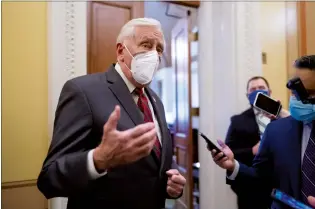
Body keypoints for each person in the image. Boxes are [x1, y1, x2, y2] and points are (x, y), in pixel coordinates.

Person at [37, 18, 186, 209]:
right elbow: (49, 179)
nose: (154, 55)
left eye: (158, 49)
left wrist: (172, 184)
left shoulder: (155, 100)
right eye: (146, 45)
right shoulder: (83, 90)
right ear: (121, 51)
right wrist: (98, 159)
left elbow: (157, 159)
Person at [211, 55, 315, 209]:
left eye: (305, 91)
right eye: (294, 91)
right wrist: (233, 166)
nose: (297, 97)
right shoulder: (276, 130)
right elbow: (260, 177)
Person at [225, 76, 290, 209]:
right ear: (247, 95)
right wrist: (251, 150)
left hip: (280, 186)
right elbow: (229, 152)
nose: (257, 91)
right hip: (250, 187)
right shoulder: (237, 120)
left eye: (261, 88)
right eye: (253, 89)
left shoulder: (283, 118)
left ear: (269, 92)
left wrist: (281, 113)